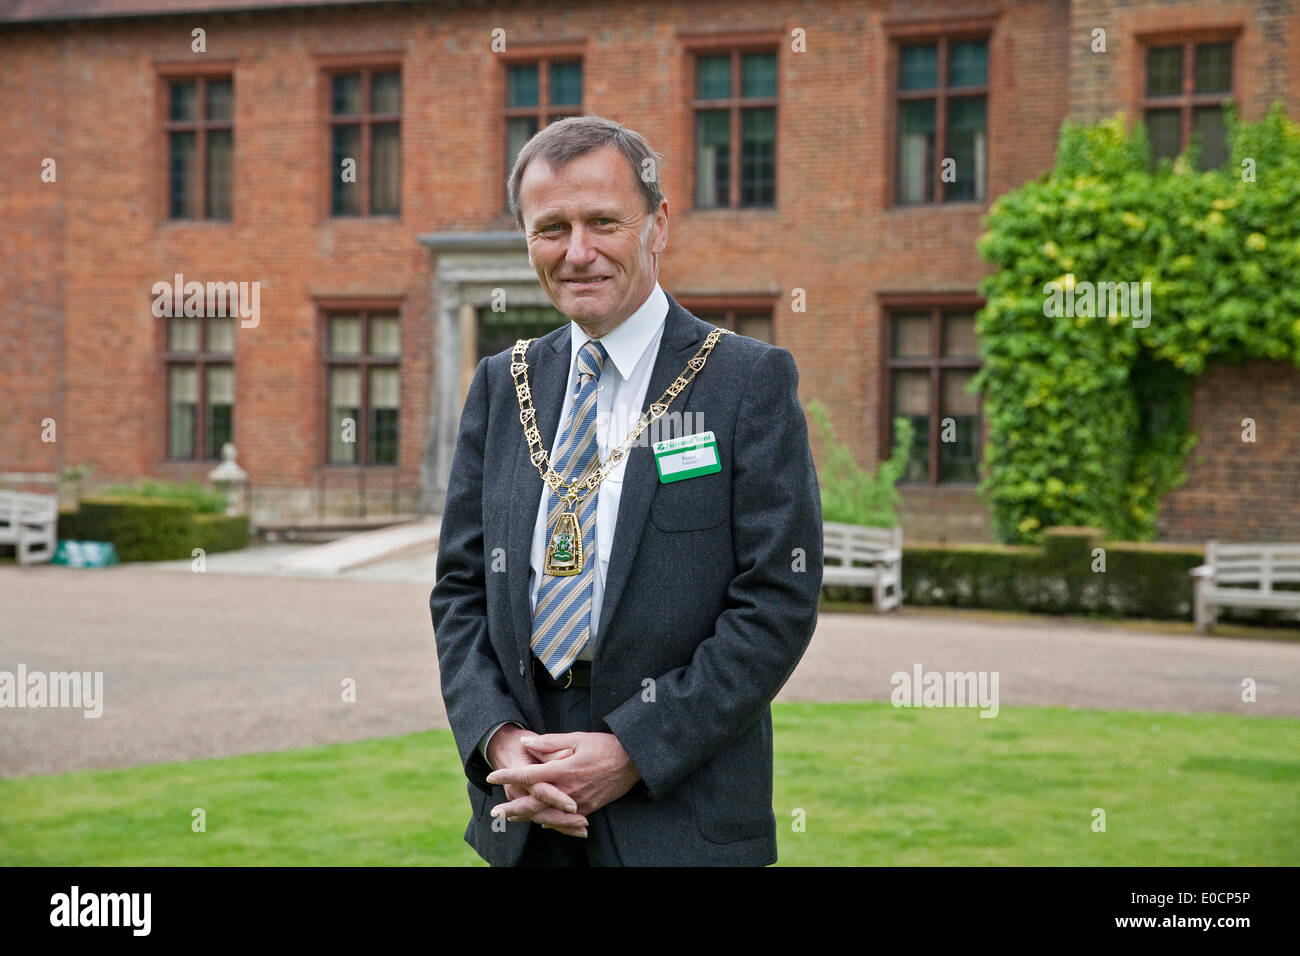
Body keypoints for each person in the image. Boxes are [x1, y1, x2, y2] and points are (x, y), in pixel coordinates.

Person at [429, 114, 822, 866]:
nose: (579, 253)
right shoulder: (501, 384)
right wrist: (498, 740)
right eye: (552, 229)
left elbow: (777, 598)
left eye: (604, 221)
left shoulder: (744, 381)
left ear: (658, 225)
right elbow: (459, 589)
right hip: (524, 805)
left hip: (680, 813)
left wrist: (634, 750)